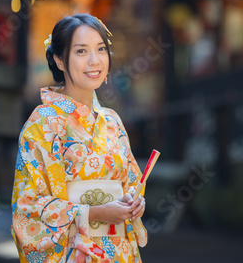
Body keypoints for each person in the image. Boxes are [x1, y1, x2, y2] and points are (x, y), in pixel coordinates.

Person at [11, 14, 147, 263]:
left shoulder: (113, 120)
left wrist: (134, 202)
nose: (94, 60)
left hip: (119, 251)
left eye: (101, 49)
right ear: (59, 60)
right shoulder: (42, 123)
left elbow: (130, 184)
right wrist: (95, 212)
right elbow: (27, 208)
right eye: (81, 51)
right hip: (73, 251)